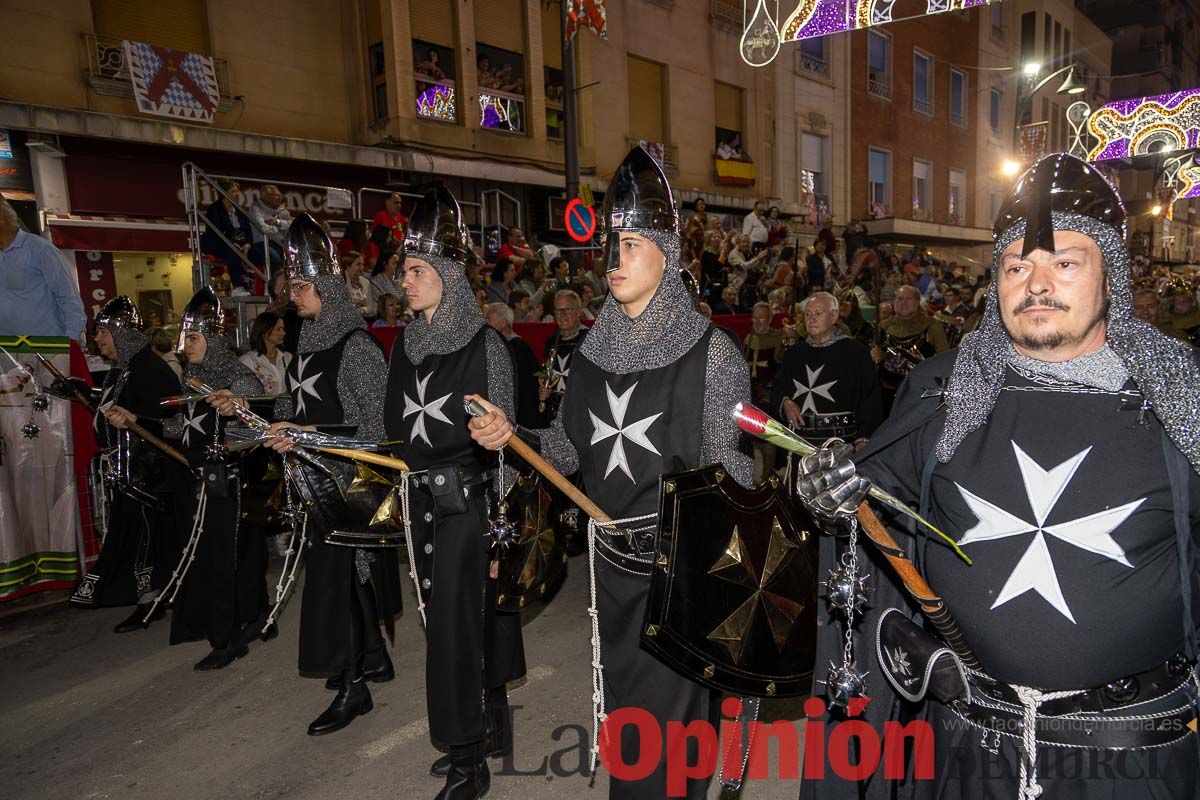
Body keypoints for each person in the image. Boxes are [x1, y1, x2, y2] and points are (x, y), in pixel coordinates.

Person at [796, 152, 1200, 799]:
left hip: (1132, 764)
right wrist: (824, 492)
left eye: (1064, 262)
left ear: (1111, 276)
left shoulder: (1181, 394)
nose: (1036, 282)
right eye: (1017, 265)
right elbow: (865, 503)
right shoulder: (947, 389)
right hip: (967, 751)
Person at [468, 146, 754, 800]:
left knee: (671, 731)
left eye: (630, 244)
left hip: (679, 566)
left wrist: (717, 579)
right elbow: (568, 449)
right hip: (614, 569)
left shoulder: (714, 355)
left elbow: (730, 478)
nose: (613, 260)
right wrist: (515, 436)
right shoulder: (593, 355)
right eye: (610, 246)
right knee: (633, 716)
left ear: (668, 252)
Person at [213, 214, 399, 736]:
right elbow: (297, 409)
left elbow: (377, 425)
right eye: (290, 287)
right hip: (316, 478)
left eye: (300, 286)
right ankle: (374, 657)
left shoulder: (357, 347)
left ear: (328, 288)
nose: (292, 295)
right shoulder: (309, 346)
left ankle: (352, 685)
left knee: (340, 586)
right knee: (347, 583)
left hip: (351, 482)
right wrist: (248, 411)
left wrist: (307, 433)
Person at [384, 187, 525, 800]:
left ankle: (471, 761)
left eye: (415, 272)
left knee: (457, 633)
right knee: (458, 625)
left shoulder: (484, 345)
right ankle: (488, 727)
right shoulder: (404, 348)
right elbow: (381, 432)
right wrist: (300, 433)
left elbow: (505, 446)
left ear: (445, 275)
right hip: (420, 504)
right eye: (404, 273)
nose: (405, 283)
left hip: (469, 506)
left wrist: (502, 527)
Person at [162, 288, 270, 670]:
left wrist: (237, 405)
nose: (184, 344)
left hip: (230, 480)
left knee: (226, 559)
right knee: (222, 558)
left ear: (213, 338)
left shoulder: (237, 375)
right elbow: (180, 426)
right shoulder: (192, 375)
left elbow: (257, 419)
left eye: (192, 337)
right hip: (200, 479)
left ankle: (227, 641)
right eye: (184, 336)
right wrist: (140, 420)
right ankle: (256, 618)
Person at [67, 297, 183, 632]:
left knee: (146, 541)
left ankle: (152, 602)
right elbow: (116, 414)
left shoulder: (150, 370)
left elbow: (170, 422)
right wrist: (84, 395)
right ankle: (151, 598)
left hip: (149, 477)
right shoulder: (127, 369)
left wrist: (136, 421)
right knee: (135, 540)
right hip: (130, 474)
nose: (98, 339)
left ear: (122, 333)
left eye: (104, 331)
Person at [771, 291, 881, 452]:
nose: (811, 319)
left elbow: (870, 399)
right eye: (807, 314)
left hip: (841, 443)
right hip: (799, 443)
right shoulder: (794, 353)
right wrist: (785, 402)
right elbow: (778, 387)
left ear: (834, 316)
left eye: (818, 313)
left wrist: (863, 438)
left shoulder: (856, 353)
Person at [0, 196, 87, 340]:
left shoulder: (41, 250)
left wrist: (72, 341)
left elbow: (68, 297)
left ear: (2, 218)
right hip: (6, 349)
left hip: (45, 346)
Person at [876, 283, 950, 412]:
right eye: (899, 299)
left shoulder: (932, 326)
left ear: (917, 302)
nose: (903, 303)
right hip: (887, 393)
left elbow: (944, 359)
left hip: (921, 394)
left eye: (908, 299)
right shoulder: (883, 326)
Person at [743, 301, 786, 481]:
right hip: (751, 396)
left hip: (768, 397)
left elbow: (783, 367)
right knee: (750, 438)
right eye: (755, 318)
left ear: (769, 319)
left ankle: (768, 477)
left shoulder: (777, 339)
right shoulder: (749, 339)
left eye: (762, 318)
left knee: (767, 437)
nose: (758, 322)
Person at [200, 180, 262, 293]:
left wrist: (248, 244)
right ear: (224, 193)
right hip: (218, 243)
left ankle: (261, 286)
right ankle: (237, 287)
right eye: (233, 191)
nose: (237, 194)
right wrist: (235, 244)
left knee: (258, 253)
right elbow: (216, 233)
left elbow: (248, 231)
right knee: (233, 251)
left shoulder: (239, 210)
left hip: (241, 243)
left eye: (237, 191)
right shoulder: (214, 209)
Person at [485, 302, 540, 428]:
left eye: (488, 319)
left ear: (503, 323)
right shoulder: (497, 346)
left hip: (520, 416)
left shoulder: (518, 348)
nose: (485, 323)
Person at [538, 288, 588, 420]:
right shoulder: (551, 342)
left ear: (578, 312)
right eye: (558, 310)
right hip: (555, 413)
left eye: (568, 309)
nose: (562, 314)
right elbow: (548, 374)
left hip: (580, 412)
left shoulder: (589, 340)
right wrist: (544, 390)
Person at [239, 310, 292, 394]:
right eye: (278, 329)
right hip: (262, 407)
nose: (283, 333)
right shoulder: (248, 361)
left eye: (283, 329)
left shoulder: (287, 357)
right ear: (264, 331)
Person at [248, 184, 291, 266]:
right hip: (262, 243)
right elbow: (264, 229)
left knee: (294, 256)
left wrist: (277, 222)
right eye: (276, 195)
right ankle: (274, 278)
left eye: (280, 195)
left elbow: (291, 224)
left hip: (280, 243)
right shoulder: (255, 208)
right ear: (266, 197)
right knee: (275, 259)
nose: (280, 198)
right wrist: (280, 226)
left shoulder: (282, 210)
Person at [1165, 277, 1200, 342]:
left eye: (1188, 294)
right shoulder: (1165, 321)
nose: (1186, 297)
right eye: (1181, 294)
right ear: (1172, 300)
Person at [341, 251, 374, 318]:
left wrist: (362, 310)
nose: (362, 268)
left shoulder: (365, 282)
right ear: (348, 265)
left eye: (363, 264)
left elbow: (371, 307)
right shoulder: (341, 282)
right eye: (358, 264)